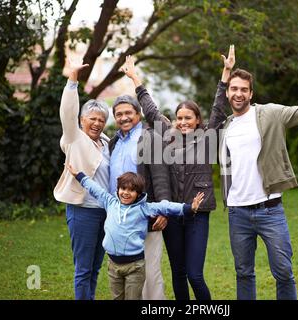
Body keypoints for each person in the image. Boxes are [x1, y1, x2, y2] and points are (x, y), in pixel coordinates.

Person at [213, 54, 298, 300]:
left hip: (270, 210)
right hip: (237, 212)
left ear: (251, 94)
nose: (238, 93)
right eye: (234, 89)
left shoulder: (270, 114)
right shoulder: (224, 127)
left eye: (244, 89)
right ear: (227, 93)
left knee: (283, 272)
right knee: (243, 273)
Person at [118, 45, 235, 300]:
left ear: (197, 120)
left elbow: (218, 108)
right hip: (173, 212)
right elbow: (149, 108)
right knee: (178, 273)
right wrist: (134, 78)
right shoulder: (167, 134)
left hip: (198, 214)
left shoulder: (207, 138)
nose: (182, 122)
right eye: (179, 118)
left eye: (188, 118)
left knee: (194, 274)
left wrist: (225, 75)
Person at [66, 165, 205, 300]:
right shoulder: (110, 202)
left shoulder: (144, 208)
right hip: (113, 266)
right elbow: (95, 189)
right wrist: (79, 175)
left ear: (138, 194)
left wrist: (188, 208)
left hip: (135, 267)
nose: (126, 193)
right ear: (118, 189)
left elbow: (165, 206)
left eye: (131, 190)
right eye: (123, 188)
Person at [53, 58, 111, 300]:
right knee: (83, 269)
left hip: (105, 212)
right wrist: (72, 80)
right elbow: (67, 111)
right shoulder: (74, 137)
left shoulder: (107, 142)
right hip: (83, 210)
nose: (97, 123)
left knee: (96, 267)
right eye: (92, 119)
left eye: (101, 119)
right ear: (81, 120)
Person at [108, 92, 170, 300]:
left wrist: (163, 209)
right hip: (120, 219)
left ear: (138, 114)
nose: (123, 117)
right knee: (125, 275)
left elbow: (161, 176)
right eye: (119, 114)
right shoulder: (114, 142)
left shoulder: (149, 137)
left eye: (128, 113)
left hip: (146, 215)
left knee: (150, 272)